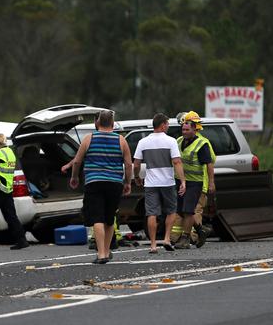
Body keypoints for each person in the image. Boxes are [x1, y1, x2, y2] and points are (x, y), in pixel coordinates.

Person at [68, 110, 132, 264]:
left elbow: (77, 161)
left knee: (97, 217)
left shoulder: (88, 138)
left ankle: (101, 253)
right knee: (109, 218)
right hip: (114, 183)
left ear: (97, 123)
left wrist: (74, 177)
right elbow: (128, 164)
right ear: (112, 123)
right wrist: (128, 182)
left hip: (94, 182)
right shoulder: (121, 140)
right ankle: (108, 250)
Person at [133, 113, 186, 253]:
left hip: (150, 183)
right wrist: (183, 181)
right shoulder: (171, 141)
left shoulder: (143, 142)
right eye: (167, 124)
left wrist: (136, 176)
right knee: (171, 210)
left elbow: (136, 163)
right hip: (167, 182)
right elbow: (177, 162)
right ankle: (167, 238)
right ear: (162, 125)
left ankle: (153, 245)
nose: (168, 126)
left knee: (152, 213)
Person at [170, 111, 215, 248]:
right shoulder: (178, 141)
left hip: (195, 182)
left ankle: (186, 239)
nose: (184, 132)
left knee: (189, 210)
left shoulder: (202, 144)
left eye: (187, 129)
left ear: (195, 129)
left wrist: (211, 182)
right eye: (182, 129)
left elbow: (209, 164)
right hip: (181, 181)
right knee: (181, 210)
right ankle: (201, 230)